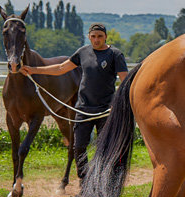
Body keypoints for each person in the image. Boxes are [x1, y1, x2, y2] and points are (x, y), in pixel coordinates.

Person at [21, 23, 128, 178]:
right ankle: (84, 182)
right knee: (78, 148)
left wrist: (118, 104)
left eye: (100, 36)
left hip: (106, 110)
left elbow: (125, 81)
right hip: (83, 109)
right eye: (93, 36)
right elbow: (60, 68)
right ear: (89, 37)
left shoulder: (115, 55)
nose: (96, 40)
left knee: (105, 149)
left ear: (105, 37)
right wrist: (33, 70)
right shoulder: (83, 52)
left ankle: (103, 181)